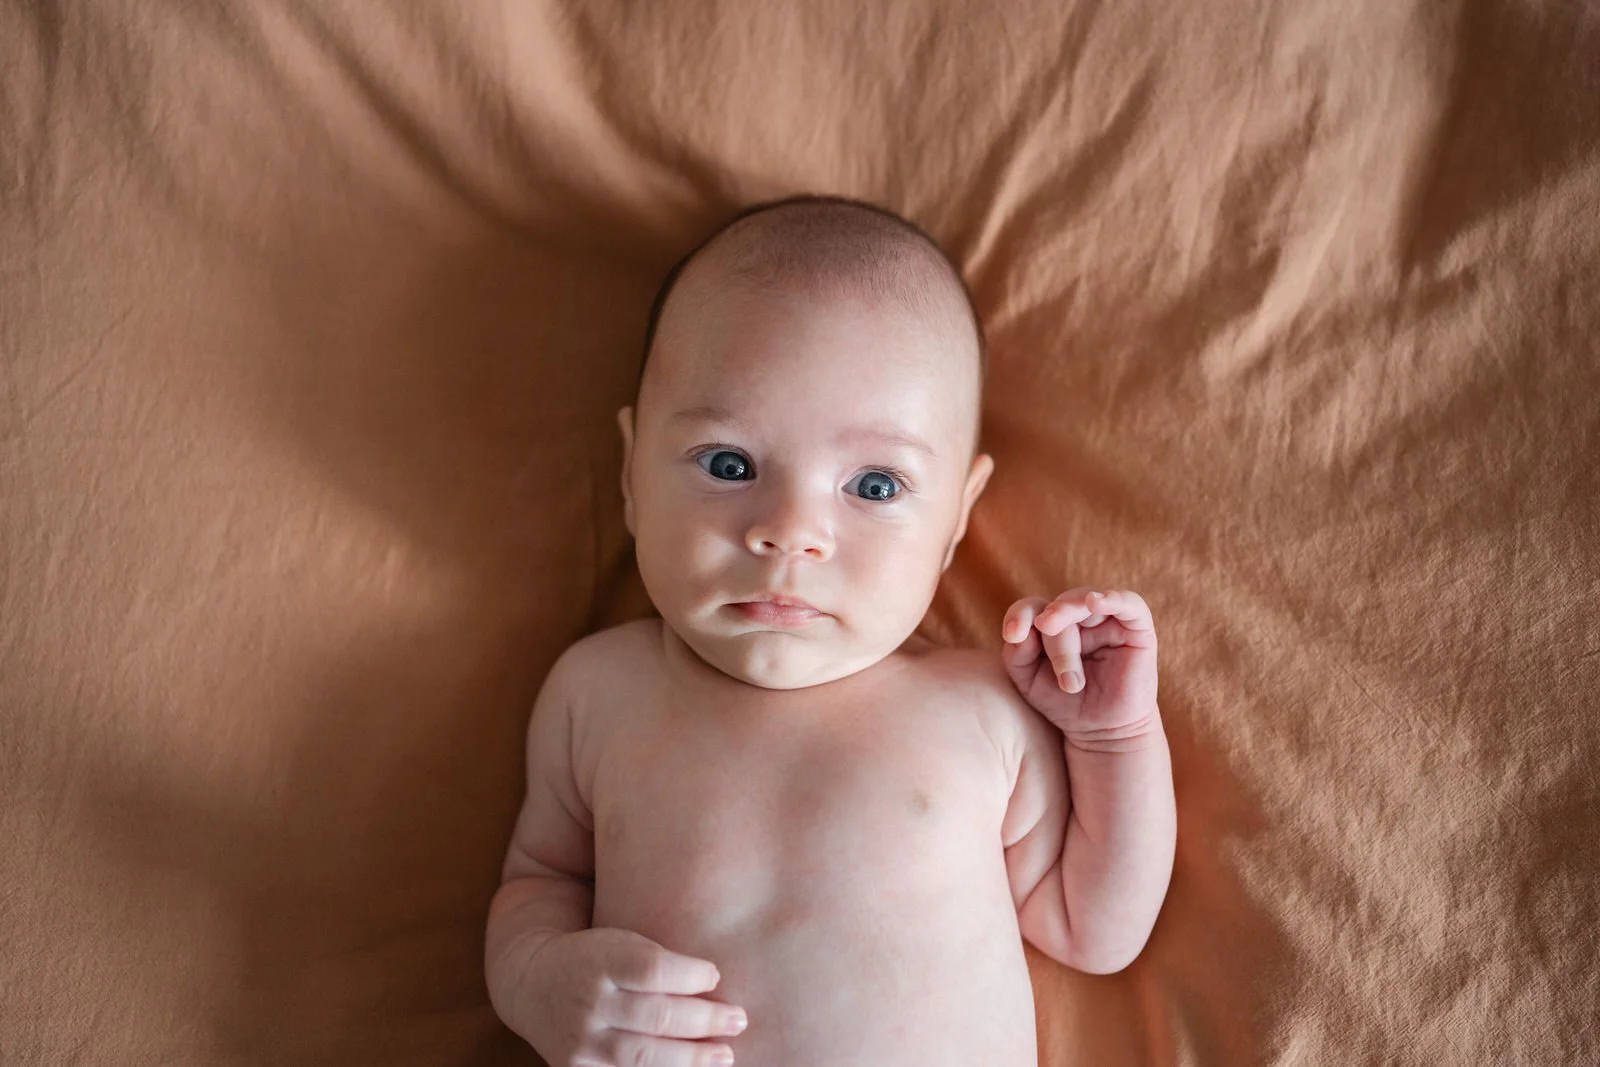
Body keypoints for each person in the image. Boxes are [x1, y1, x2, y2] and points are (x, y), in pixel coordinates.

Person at [484, 195, 1176, 1067]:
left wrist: (1114, 736)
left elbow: (1094, 926)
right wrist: (539, 981)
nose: (790, 531)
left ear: (957, 515)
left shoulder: (980, 708)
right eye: (729, 464)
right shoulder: (596, 691)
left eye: (875, 486)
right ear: (631, 475)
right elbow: (537, 882)